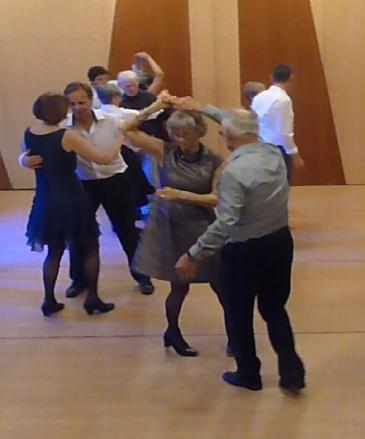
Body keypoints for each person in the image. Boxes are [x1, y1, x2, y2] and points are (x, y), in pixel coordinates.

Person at [174, 107, 305, 393]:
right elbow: (238, 123)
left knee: (238, 313)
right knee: (274, 309)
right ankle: (292, 372)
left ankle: (248, 373)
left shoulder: (234, 172)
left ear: (229, 136)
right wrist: (199, 106)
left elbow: (226, 223)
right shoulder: (274, 153)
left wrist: (192, 254)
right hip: (279, 242)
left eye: (223, 132)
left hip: (245, 252)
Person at [21, 82, 154, 296]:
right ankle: (78, 280)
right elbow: (28, 150)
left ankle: (142, 276)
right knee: (78, 235)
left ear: (92, 100)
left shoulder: (112, 120)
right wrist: (23, 161)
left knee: (126, 230)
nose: (77, 107)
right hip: (83, 185)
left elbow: (141, 117)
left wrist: (158, 104)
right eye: (72, 103)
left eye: (81, 102)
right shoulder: (61, 126)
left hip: (115, 179)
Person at [124, 104, 225, 357]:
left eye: (185, 134)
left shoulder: (215, 160)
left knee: (221, 284)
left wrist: (180, 194)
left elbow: (215, 199)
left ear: (199, 133)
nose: (179, 139)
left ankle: (235, 335)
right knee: (179, 286)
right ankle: (172, 331)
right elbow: (126, 129)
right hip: (170, 226)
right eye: (175, 133)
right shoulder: (165, 150)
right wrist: (157, 106)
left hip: (201, 226)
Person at [24, 93, 120, 316]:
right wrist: (120, 139)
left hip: (45, 198)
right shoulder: (66, 135)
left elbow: (25, 156)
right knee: (90, 247)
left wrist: (22, 161)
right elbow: (103, 159)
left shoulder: (29, 133)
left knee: (54, 252)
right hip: (71, 198)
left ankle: (49, 300)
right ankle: (93, 299)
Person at [250, 64, 305, 181]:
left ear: (272, 77)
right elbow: (284, 132)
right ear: (291, 78)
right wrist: (294, 155)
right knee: (281, 185)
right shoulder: (283, 100)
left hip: (259, 147)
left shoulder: (259, 97)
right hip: (277, 150)